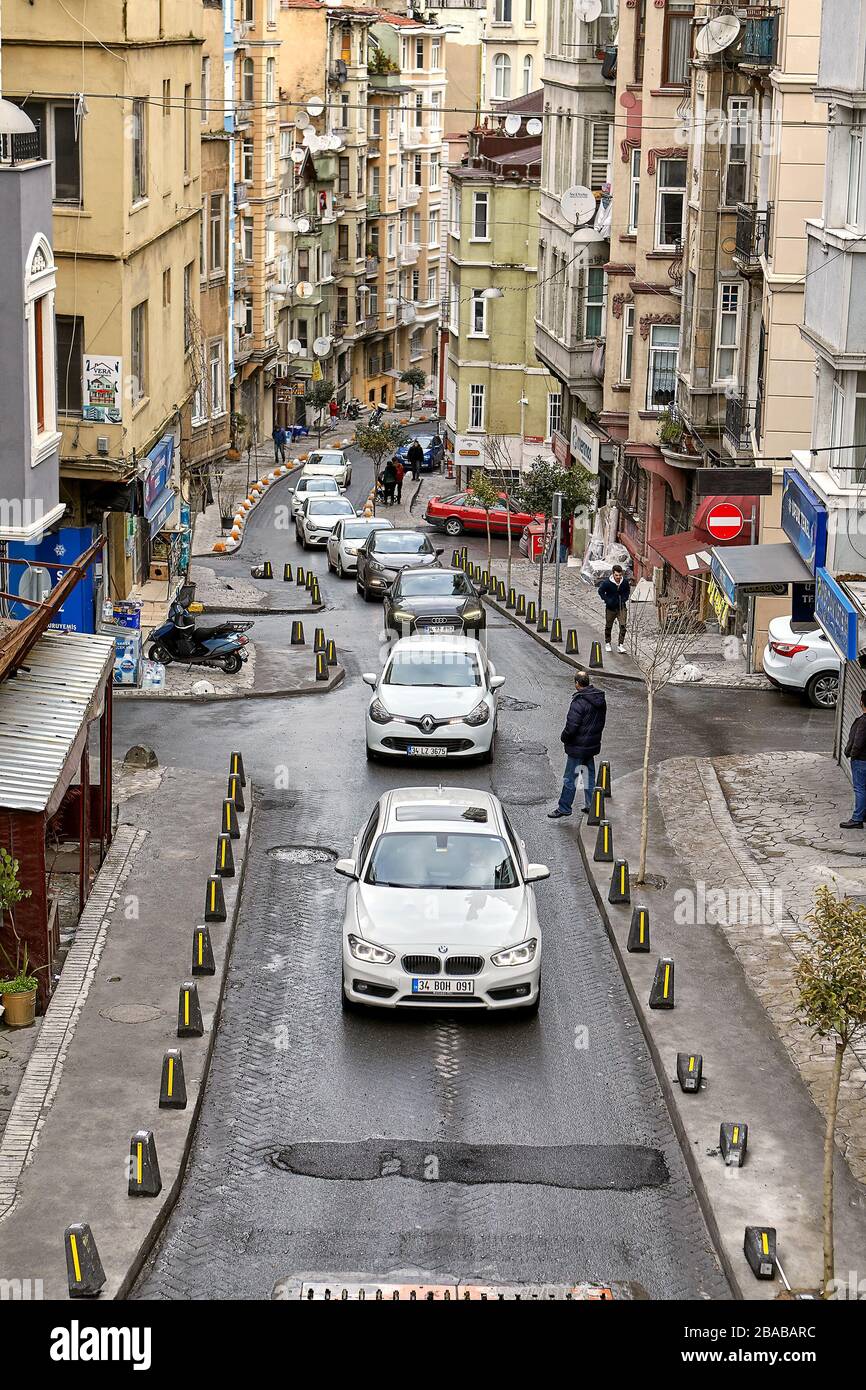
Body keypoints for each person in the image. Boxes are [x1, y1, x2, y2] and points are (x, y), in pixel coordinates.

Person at [548, 669, 607, 819]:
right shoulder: (599, 699)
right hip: (591, 746)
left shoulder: (579, 702)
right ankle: (591, 805)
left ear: (576, 684)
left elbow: (571, 728)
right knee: (589, 776)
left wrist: (564, 738)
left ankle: (564, 807)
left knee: (570, 778)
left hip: (577, 747)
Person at [841, 690, 866, 828]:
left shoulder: (863, 722)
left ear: (861, 702)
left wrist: (852, 754)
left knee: (860, 789)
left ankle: (857, 819)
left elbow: (858, 742)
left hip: (861, 761)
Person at [598, 563, 630, 654]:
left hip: (621, 607)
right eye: (616, 575)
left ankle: (620, 645)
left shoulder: (624, 582)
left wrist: (624, 599)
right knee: (609, 626)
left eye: (620, 575)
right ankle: (608, 643)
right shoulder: (607, 583)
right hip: (610, 608)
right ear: (613, 574)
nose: (618, 577)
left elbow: (627, 591)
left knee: (623, 625)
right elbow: (600, 591)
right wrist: (607, 600)